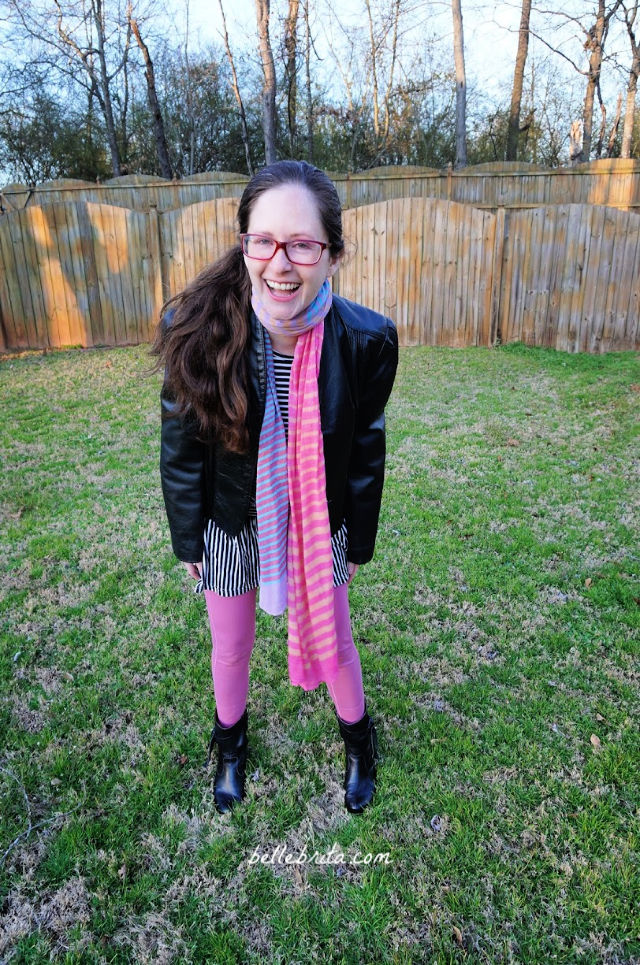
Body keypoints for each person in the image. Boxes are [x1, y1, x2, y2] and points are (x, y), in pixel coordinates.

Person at [153, 160, 398, 815]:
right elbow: (179, 449)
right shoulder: (197, 327)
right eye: (263, 241)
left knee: (337, 637)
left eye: (303, 244)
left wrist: (358, 540)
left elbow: (365, 448)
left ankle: (358, 740)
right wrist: (187, 538)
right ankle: (229, 744)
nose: (281, 263)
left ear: (334, 255)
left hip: (320, 521)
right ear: (244, 245)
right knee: (230, 644)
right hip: (233, 518)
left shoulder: (368, 340)